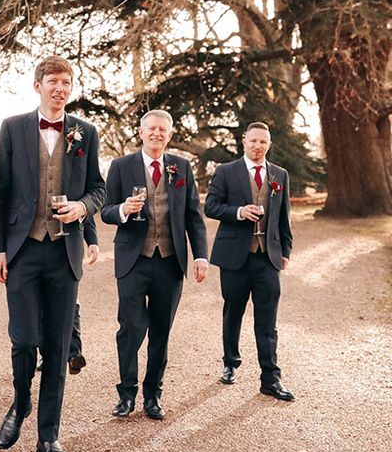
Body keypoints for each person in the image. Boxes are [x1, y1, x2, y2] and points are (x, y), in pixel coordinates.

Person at [0, 55, 105, 452]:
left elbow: (98, 188)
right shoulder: (13, 128)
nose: (60, 88)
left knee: (57, 348)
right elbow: (0, 192)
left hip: (64, 252)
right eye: (53, 81)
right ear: (37, 84)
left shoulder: (85, 132)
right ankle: (19, 405)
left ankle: (48, 436)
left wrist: (82, 206)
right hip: (22, 250)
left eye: (67, 82)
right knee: (23, 340)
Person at [101, 109, 208, 421]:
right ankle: (126, 394)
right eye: (151, 129)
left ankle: (153, 396)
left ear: (170, 135)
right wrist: (122, 209)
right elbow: (106, 210)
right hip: (133, 260)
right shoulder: (121, 166)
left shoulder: (181, 167)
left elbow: (193, 216)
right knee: (131, 328)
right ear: (140, 131)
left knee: (161, 330)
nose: (157, 134)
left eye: (163, 130)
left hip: (170, 262)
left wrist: (200, 255)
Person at [204, 122, 295, 401]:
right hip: (234, 258)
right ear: (244, 141)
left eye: (263, 142)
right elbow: (211, 206)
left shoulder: (279, 174)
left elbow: (284, 217)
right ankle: (230, 363)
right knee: (233, 313)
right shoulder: (226, 171)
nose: (258, 146)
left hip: (267, 258)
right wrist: (239, 212)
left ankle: (271, 378)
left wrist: (286, 251)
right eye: (253, 141)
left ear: (269, 145)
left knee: (268, 320)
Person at [37, 214, 99, 375]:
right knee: (42, 306)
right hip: (37, 251)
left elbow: (87, 214)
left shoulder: (73, 188)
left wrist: (92, 241)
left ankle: (73, 354)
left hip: (68, 253)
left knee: (71, 305)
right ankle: (49, 354)